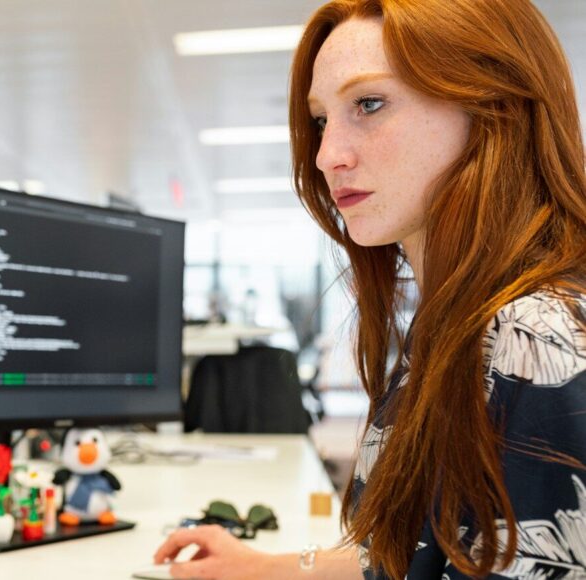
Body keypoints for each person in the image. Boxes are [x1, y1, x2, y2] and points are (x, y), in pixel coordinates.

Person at [153, 0, 586, 578]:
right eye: (321, 120)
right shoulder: (461, 322)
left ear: (494, 106)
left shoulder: (535, 337)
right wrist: (260, 567)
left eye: (370, 104)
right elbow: (421, 556)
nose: (327, 155)